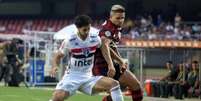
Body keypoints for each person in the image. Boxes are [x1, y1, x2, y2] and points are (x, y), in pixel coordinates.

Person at [50, 15, 124, 101]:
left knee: (114, 84)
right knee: (57, 98)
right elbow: (58, 55)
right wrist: (55, 66)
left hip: (88, 77)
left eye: (88, 29)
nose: (87, 32)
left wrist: (113, 63)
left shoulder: (95, 38)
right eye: (84, 30)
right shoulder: (70, 41)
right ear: (78, 28)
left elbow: (104, 49)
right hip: (72, 77)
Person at [92, 5, 143, 101]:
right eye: (117, 18)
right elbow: (104, 45)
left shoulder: (117, 28)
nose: (120, 20)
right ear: (111, 17)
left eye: (122, 18)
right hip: (101, 66)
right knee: (116, 91)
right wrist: (111, 65)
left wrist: (121, 61)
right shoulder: (108, 29)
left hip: (111, 65)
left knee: (135, 86)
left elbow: (112, 47)